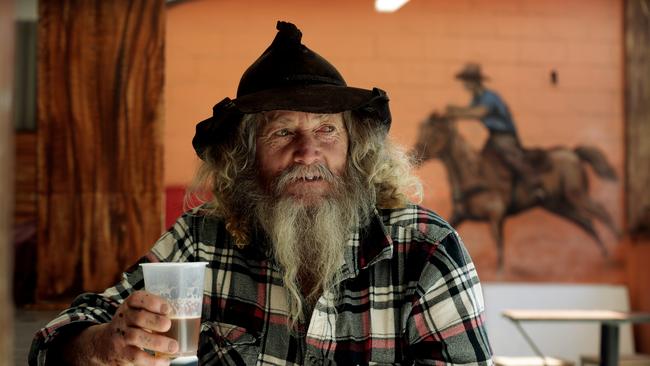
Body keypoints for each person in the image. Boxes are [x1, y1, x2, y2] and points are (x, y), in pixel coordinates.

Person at [30, 21, 492, 365]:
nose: (307, 152)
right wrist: (105, 345)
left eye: (328, 130)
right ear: (245, 156)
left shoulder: (425, 249)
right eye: (282, 132)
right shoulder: (202, 238)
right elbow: (52, 341)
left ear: (356, 150)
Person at [446, 63, 544, 198]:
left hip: (505, 136)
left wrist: (454, 112)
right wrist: (453, 112)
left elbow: (478, 113)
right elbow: (469, 110)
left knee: (512, 157)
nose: (465, 85)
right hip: (493, 136)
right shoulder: (476, 99)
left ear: (475, 82)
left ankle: (535, 185)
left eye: (467, 81)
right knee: (483, 162)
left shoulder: (490, 97)